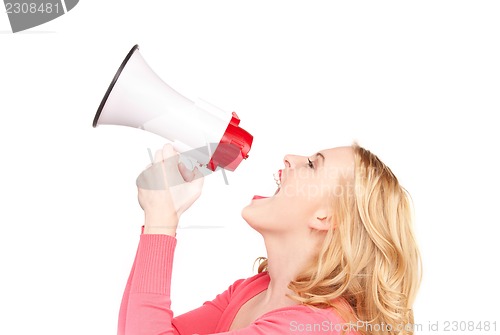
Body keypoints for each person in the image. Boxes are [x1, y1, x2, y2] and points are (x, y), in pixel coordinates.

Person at [117, 143, 421, 335]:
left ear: (326, 217)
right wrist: (157, 221)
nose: (290, 158)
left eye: (313, 164)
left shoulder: (315, 328)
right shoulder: (251, 291)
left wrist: (161, 222)